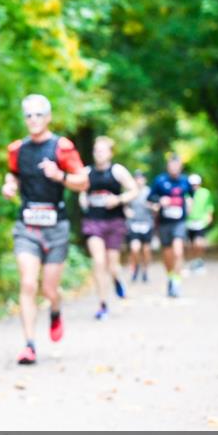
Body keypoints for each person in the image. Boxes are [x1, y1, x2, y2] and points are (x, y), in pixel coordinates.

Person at [2, 94, 88, 365]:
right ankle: (29, 344)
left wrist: (59, 175)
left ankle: (55, 309)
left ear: (48, 117)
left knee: (49, 289)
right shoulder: (17, 149)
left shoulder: (62, 147)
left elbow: (83, 182)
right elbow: (13, 174)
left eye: (39, 114)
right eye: (28, 115)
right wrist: (9, 186)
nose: (33, 120)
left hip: (56, 226)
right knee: (28, 283)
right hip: (27, 225)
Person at [78, 136, 137, 320]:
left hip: (114, 222)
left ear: (110, 153)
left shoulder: (117, 171)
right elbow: (81, 194)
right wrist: (85, 203)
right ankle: (102, 304)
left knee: (112, 266)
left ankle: (117, 280)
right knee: (98, 261)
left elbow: (134, 190)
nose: (99, 153)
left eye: (102, 150)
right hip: (93, 221)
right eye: (96, 150)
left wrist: (118, 200)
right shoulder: (87, 172)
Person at [148, 155, 193, 298]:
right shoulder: (160, 180)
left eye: (176, 165)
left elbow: (191, 195)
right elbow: (150, 197)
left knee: (178, 252)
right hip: (164, 222)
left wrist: (190, 203)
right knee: (167, 254)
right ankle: (170, 276)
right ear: (168, 166)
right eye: (171, 165)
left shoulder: (186, 180)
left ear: (180, 166)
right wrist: (160, 200)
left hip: (179, 221)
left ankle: (177, 283)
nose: (174, 168)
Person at [125, 170, 155, 283]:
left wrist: (151, 206)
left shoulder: (150, 192)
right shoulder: (130, 192)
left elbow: (156, 206)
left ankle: (145, 270)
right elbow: (125, 205)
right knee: (134, 248)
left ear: (144, 180)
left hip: (147, 224)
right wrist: (127, 211)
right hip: (133, 224)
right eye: (136, 178)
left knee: (146, 250)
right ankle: (135, 267)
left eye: (140, 178)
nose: (139, 181)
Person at [186, 173, 214, 273]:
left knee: (199, 243)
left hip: (201, 221)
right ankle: (192, 262)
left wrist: (209, 216)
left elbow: (209, 206)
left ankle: (199, 261)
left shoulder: (205, 193)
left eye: (196, 184)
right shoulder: (187, 193)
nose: (194, 186)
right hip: (188, 221)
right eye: (192, 184)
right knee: (190, 244)